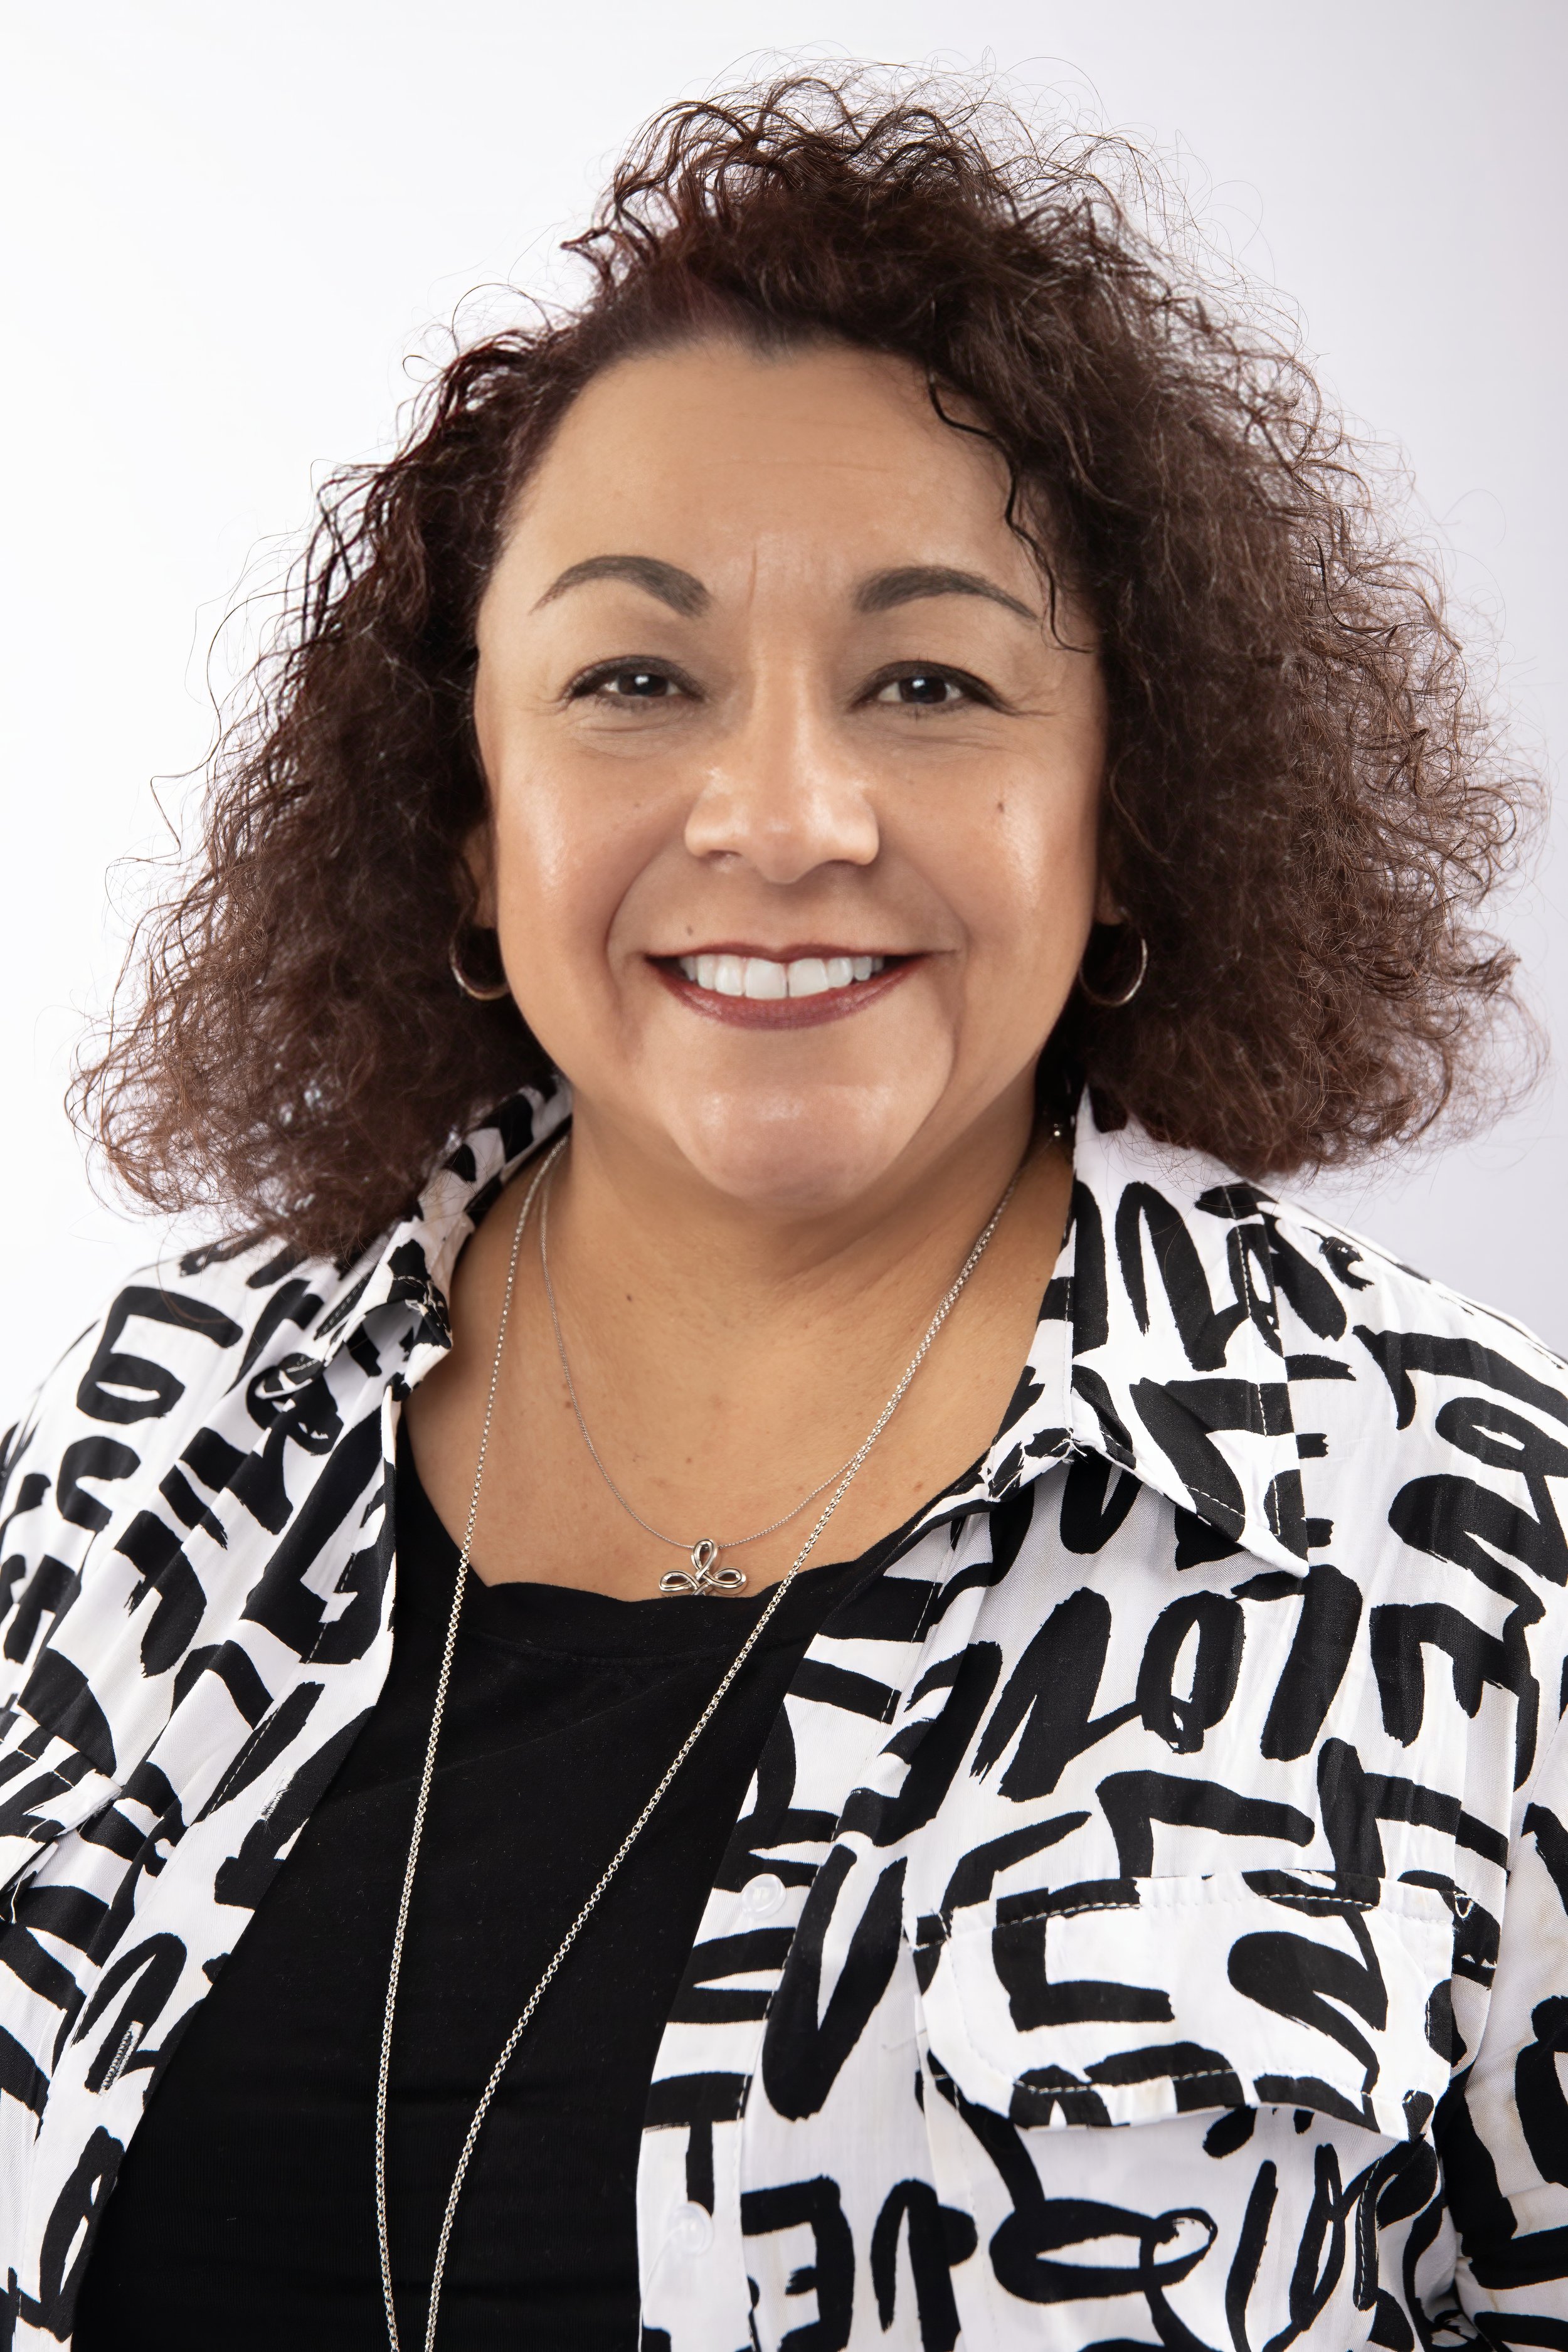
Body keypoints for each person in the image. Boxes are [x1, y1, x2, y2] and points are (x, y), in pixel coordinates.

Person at [1, 67, 1560, 2352]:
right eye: (634, 680)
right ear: (467, 813)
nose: (786, 812)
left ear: (1126, 810)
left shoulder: (1458, 1536)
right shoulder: (141, 1469)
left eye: (930, 682)